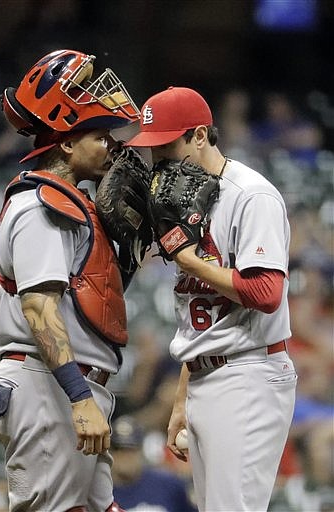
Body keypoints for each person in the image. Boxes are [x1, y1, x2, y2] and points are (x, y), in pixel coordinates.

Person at [0, 49, 140, 512]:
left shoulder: (69, 203)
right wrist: (79, 396)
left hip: (62, 385)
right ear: (67, 143)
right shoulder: (40, 207)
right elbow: (39, 308)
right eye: (100, 135)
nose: (111, 145)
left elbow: (83, 302)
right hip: (47, 385)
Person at [125, 86, 297, 512]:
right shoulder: (186, 198)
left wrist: (186, 258)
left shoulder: (250, 196)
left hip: (248, 373)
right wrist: (183, 397)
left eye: (167, 145)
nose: (158, 159)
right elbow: (201, 318)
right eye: (152, 149)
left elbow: (265, 292)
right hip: (207, 374)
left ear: (200, 136)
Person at [111, 415, 197, 512]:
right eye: (118, 449)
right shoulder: (101, 494)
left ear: (140, 450)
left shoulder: (168, 484)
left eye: (130, 449)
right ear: (110, 453)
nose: (125, 456)